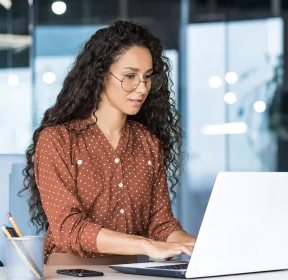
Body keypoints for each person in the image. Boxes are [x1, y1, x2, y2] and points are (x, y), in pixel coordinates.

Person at [21, 19, 196, 264]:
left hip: (129, 271)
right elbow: (68, 228)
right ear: (101, 75)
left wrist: (190, 243)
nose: (142, 88)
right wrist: (145, 245)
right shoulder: (57, 141)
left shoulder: (147, 143)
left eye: (147, 77)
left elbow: (161, 224)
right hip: (70, 272)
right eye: (130, 76)